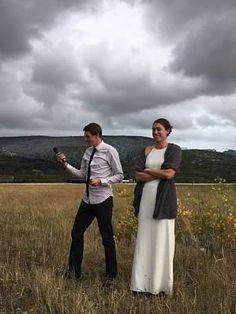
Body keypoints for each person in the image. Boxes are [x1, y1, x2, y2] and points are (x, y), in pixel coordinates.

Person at [56, 123, 124, 285]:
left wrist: (102, 181)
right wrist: (65, 164)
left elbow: (120, 175)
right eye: (85, 136)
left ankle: (111, 276)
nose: (85, 139)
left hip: (103, 200)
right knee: (76, 233)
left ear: (97, 135)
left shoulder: (110, 151)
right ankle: (73, 272)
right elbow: (82, 174)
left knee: (107, 237)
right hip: (87, 200)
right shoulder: (87, 152)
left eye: (88, 136)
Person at [131, 118, 182, 296]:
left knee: (162, 241)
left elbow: (170, 174)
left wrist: (149, 171)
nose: (155, 132)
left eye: (159, 129)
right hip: (146, 200)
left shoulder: (174, 150)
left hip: (164, 202)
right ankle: (140, 285)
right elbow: (137, 176)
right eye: (153, 129)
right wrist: (158, 173)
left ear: (167, 131)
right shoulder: (146, 150)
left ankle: (159, 287)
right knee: (144, 240)